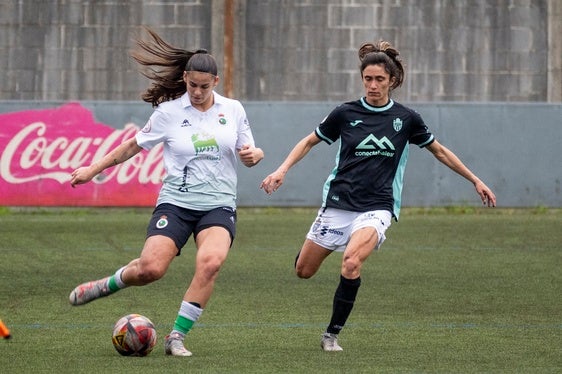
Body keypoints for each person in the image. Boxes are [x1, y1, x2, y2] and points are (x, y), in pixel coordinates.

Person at [260, 40, 496, 352]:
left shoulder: (407, 119)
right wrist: (282, 170)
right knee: (303, 271)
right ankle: (331, 241)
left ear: (392, 81)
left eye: (380, 79)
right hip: (338, 203)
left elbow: (439, 151)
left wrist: (475, 180)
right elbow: (309, 141)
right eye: (368, 79)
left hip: (378, 206)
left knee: (352, 261)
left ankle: (331, 334)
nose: (373, 85)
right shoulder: (345, 113)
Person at [68, 28, 264, 357]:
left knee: (211, 263)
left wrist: (255, 156)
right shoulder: (169, 113)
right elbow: (132, 145)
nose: (197, 92)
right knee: (150, 270)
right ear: (185, 78)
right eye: (192, 85)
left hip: (218, 205)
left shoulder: (233, 110)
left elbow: (251, 150)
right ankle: (108, 284)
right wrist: (92, 170)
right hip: (176, 203)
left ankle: (176, 337)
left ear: (216, 81)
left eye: (204, 86)